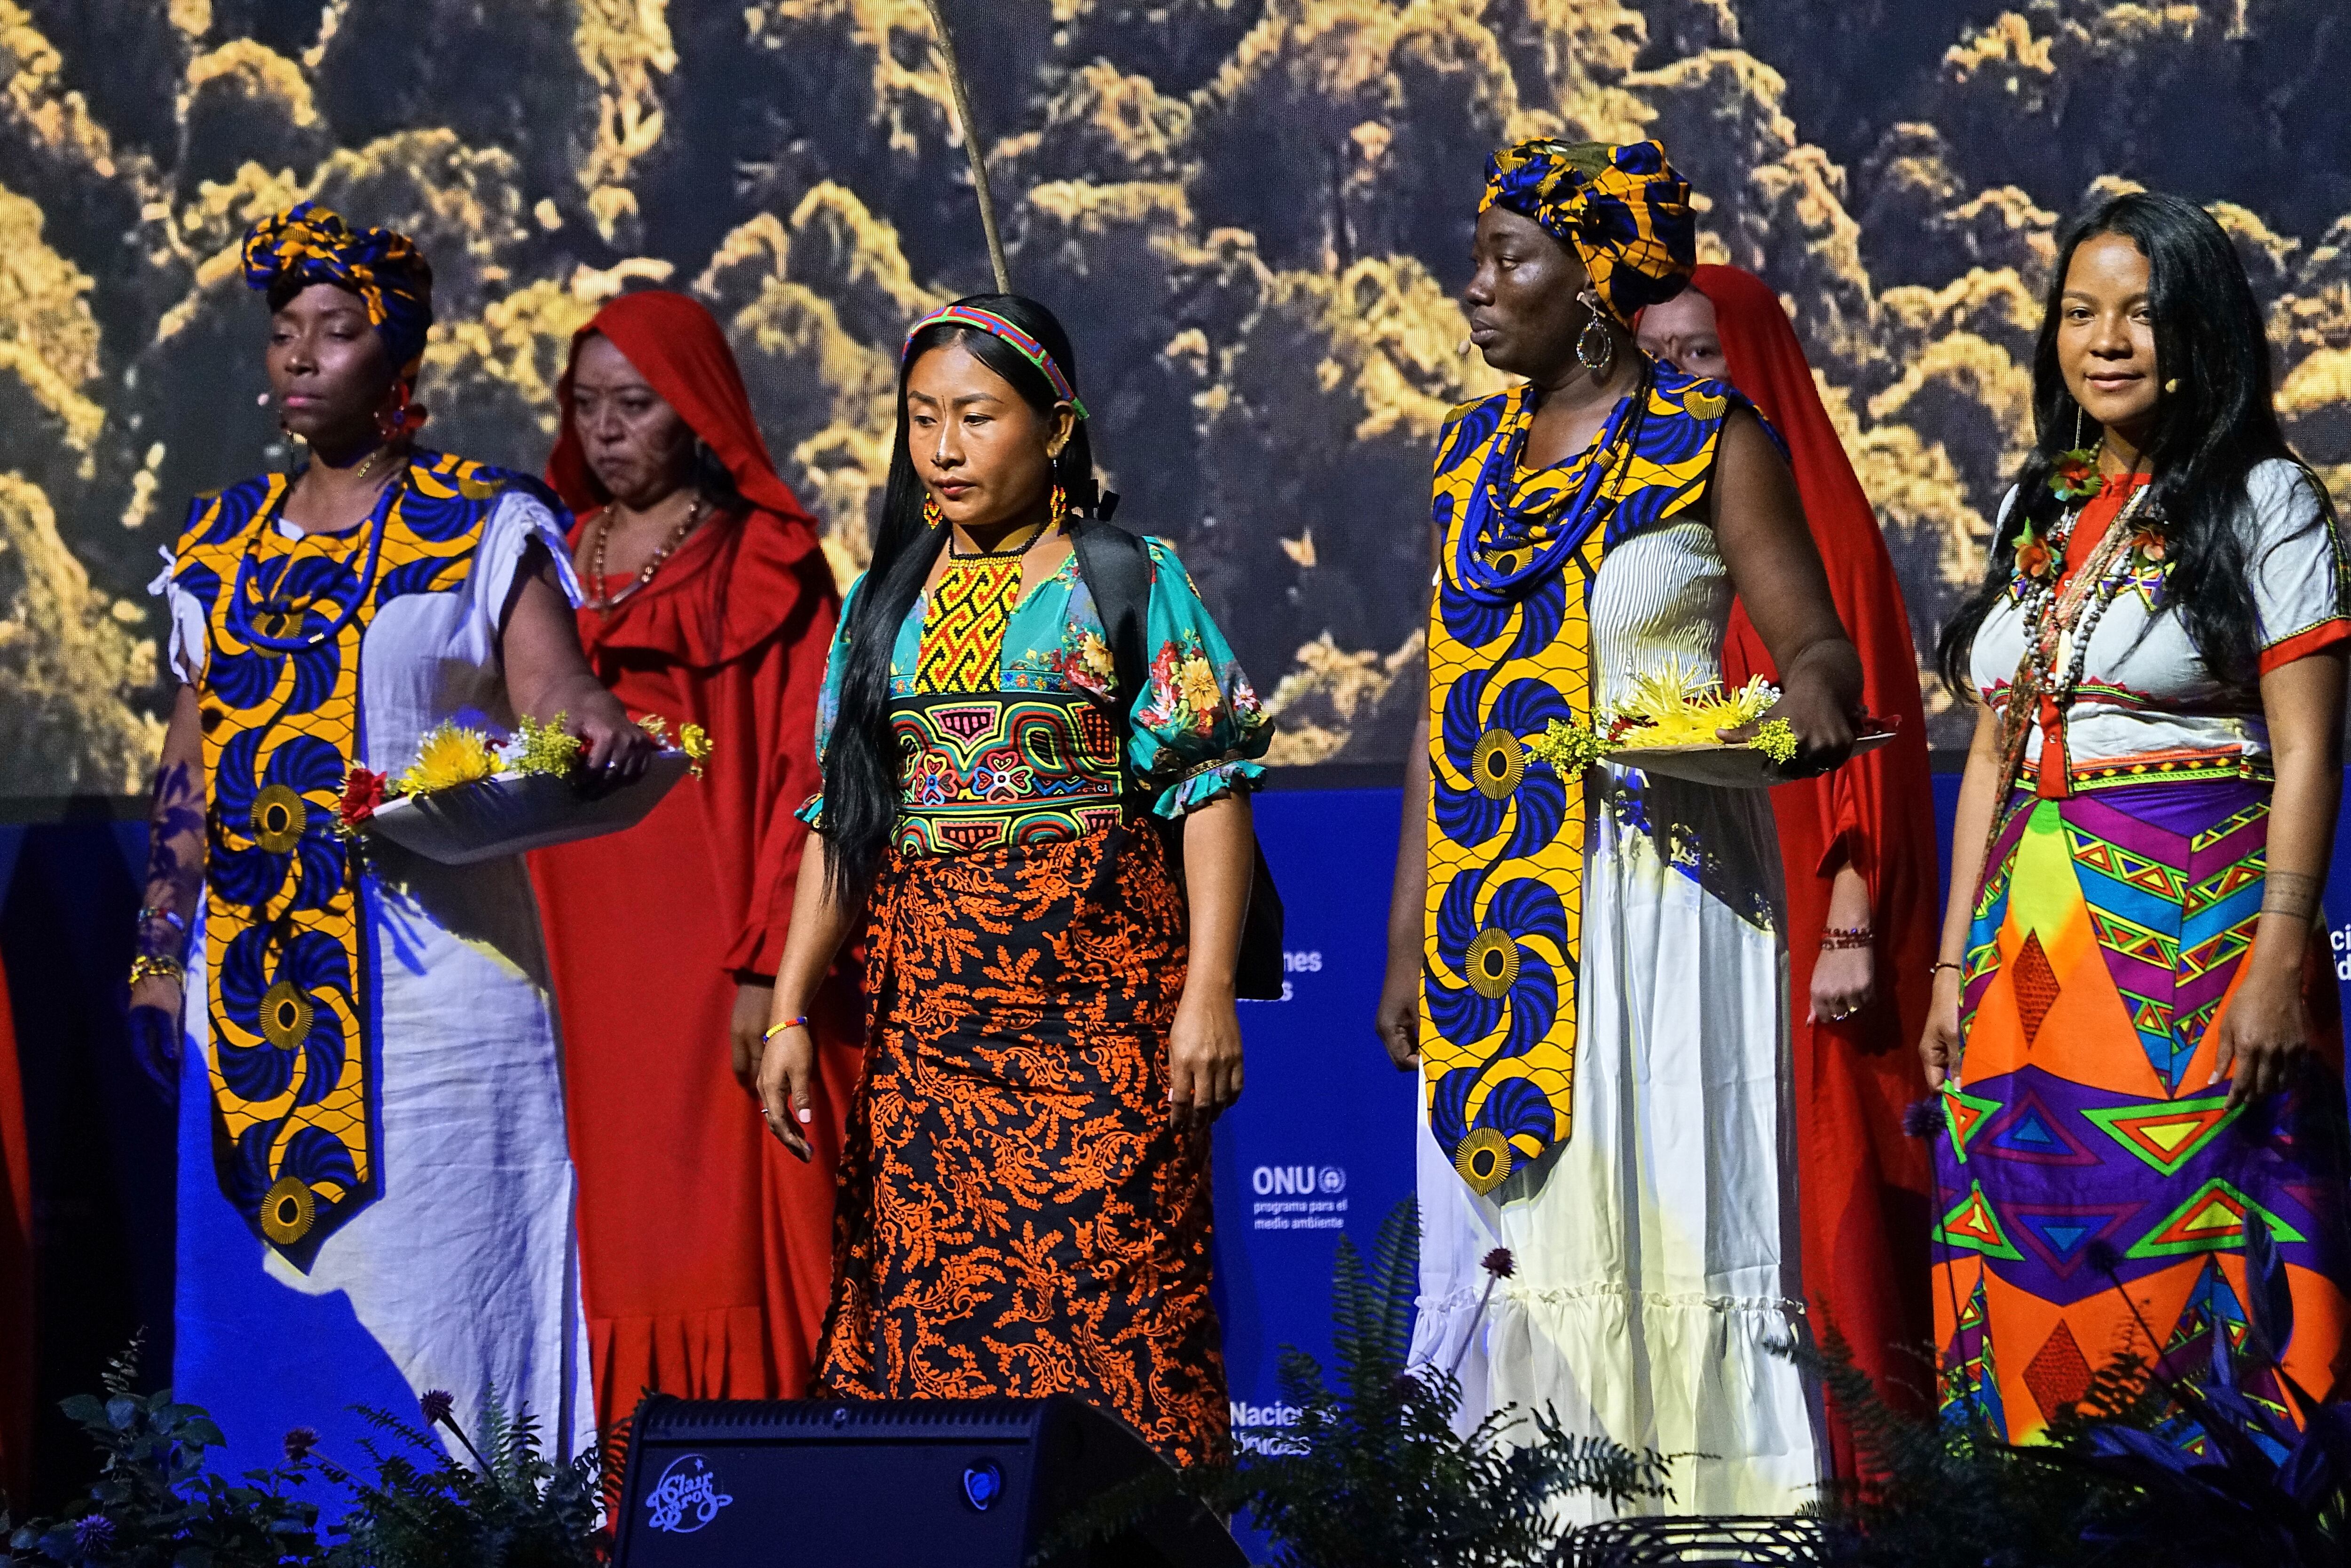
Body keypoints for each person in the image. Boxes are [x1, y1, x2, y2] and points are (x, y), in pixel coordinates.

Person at [1376, 139, 1866, 1515]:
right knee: (1516, 1251)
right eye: (1479, 257)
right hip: (1490, 907)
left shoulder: (1714, 442)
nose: (1474, 289)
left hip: (1663, 893)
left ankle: (1696, 1531)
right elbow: (1445, 702)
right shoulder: (1466, 460)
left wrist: (1810, 705)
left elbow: (1815, 646)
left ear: (1592, 286)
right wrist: (1409, 932)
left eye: (1507, 261)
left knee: (1658, 1224)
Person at [129, 202, 652, 1472]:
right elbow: (185, 781)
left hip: (444, 1022)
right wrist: (157, 954)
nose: (303, 357)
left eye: (339, 331)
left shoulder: (481, 524)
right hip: (251, 1007)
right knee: (266, 1360)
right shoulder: (214, 550)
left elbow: (555, 696)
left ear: (397, 355)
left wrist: (598, 725)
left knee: (447, 1350)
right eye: (285, 333)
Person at [755, 294, 1270, 1467]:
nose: (941, 448)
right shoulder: (882, 604)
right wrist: (791, 1004)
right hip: (929, 1046)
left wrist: (1206, 992)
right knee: (931, 1338)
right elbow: (845, 825)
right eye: (921, 418)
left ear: (1056, 429)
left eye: (976, 416)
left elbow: (1208, 786)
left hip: (1106, 1033)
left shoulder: (1126, 578)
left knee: (1122, 1324)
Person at [1925, 191, 2351, 1441]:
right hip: (2022, 960)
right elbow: (1992, 754)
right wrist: (1952, 962)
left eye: (2141, 315)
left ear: (2202, 333)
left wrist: (2282, 956)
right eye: (2079, 313)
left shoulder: (2268, 501)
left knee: (2207, 1262)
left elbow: (2314, 749)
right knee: (2033, 1267)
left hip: (2194, 946)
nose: (2105, 341)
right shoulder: (2036, 510)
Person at [530, 290, 858, 1424]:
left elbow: (805, 779)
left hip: (705, 955)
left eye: (636, 405)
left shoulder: (760, 565)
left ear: (700, 416)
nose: (607, 430)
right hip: (565, 951)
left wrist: (771, 969)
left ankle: (721, 1480)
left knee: (706, 1215)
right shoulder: (543, 563)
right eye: (587, 406)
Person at [1640, 267, 1939, 1460]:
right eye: (1655, 358)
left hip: (1825, 891)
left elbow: (1858, 704)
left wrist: (1851, 919)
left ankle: (1862, 1470)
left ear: (1755, 362)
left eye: (1701, 357)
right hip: (1722, 880)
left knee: (1828, 1178)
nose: (1677, 381)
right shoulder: (1657, 512)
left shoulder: (1803, 499)